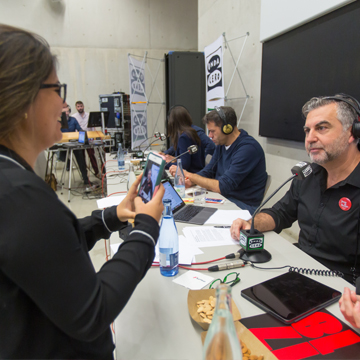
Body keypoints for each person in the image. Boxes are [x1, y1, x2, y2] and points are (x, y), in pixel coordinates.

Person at [0, 24, 165, 359]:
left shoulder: (12, 182)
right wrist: (147, 229)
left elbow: (51, 252)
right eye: (56, 89)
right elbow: (93, 313)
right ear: (23, 97)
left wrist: (112, 217)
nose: (63, 104)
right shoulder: (18, 196)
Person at [230, 94, 360, 284]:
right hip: (299, 271)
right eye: (307, 130)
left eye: (322, 128)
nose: (310, 138)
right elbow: (281, 213)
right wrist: (252, 223)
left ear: (352, 133)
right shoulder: (307, 174)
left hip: (344, 290)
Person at [170, 106, 267, 214]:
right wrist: (191, 181)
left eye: (212, 131)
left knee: (192, 212)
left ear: (227, 128)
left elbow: (223, 186)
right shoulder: (222, 144)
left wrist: (190, 175)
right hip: (222, 198)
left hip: (242, 207)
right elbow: (209, 171)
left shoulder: (248, 149)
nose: (210, 136)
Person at [161, 105, 215, 171]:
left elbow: (184, 164)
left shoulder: (184, 136)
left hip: (190, 174)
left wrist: (164, 165)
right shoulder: (190, 132)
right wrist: (168, 154)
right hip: (198, 171)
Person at [59, 104, 91, 185]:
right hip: (63, 144)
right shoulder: (58, 122)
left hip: (74, 143)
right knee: (61, 155)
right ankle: (67, 162)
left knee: (81, 159)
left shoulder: (73, 119)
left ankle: (85, 179)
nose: (66, 113)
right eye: (64, 112)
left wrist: (83, 138)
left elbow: (80, 129)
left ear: (69, 112)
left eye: (67, 111)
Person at [72, 100, 100, 177]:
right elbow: (74, 129)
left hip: (89, 137)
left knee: (91, 155)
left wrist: (94, 138)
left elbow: (93, 127)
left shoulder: (88, 115)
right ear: (76, 107)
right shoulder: (74, 117)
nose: (80, 108)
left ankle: (96, 171)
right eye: (78, 106)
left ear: (83, 106)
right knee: (81, 157)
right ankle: (85, 174)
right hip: (80, 138)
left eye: (81, 106)